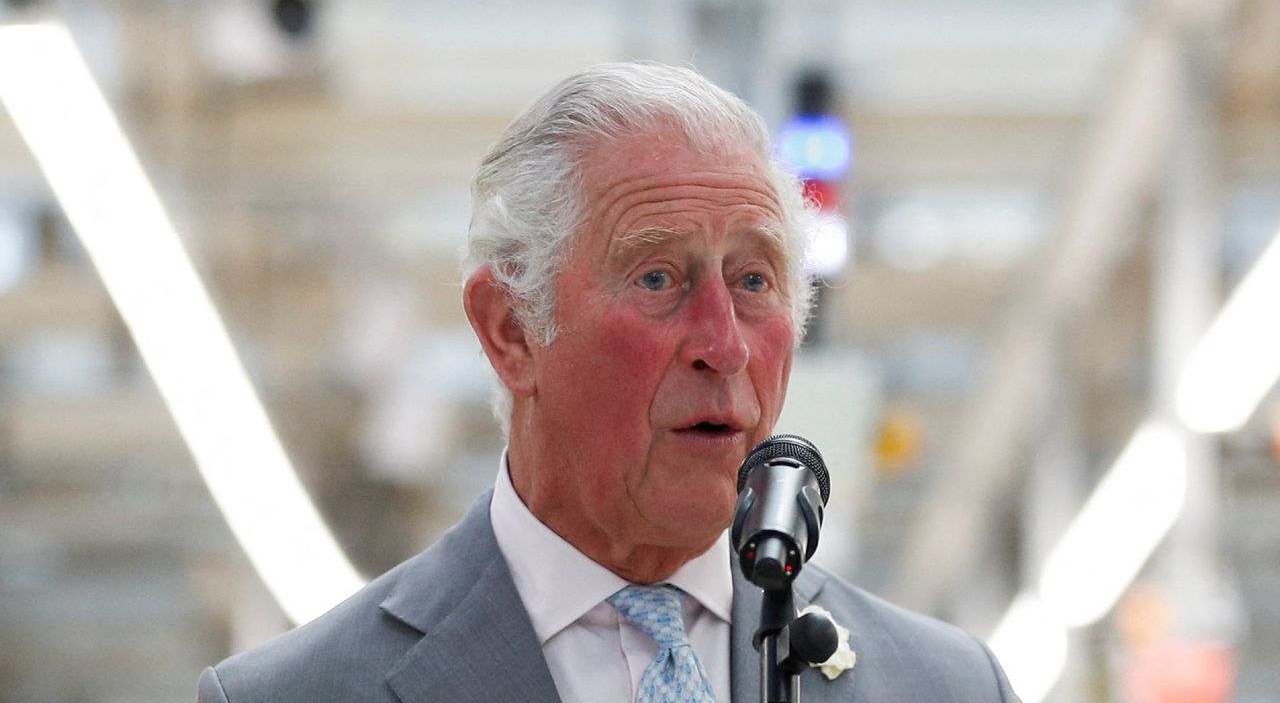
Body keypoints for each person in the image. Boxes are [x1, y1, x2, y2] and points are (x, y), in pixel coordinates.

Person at [198, 62, 1021, 703]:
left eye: (756, 281)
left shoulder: (943, 687)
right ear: (511, 329)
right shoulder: (298, 694)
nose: (724, 346)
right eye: (659, 278)